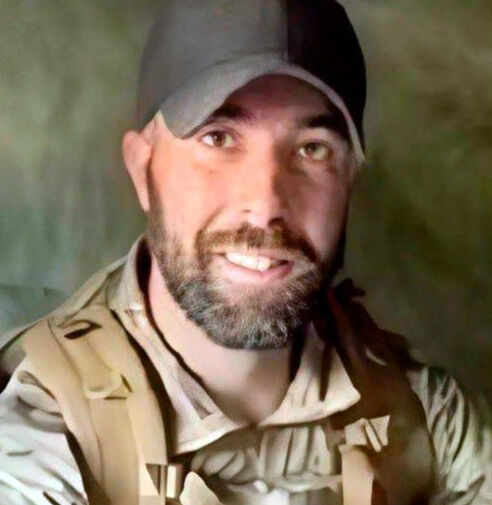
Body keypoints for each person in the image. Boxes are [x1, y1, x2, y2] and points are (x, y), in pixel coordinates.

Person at [0, 1, 489, 504]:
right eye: (218, 138)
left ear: (349, 180)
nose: (266, 205)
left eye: (312, 148)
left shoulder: (422, 414)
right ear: (142, 169)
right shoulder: (39, 433)